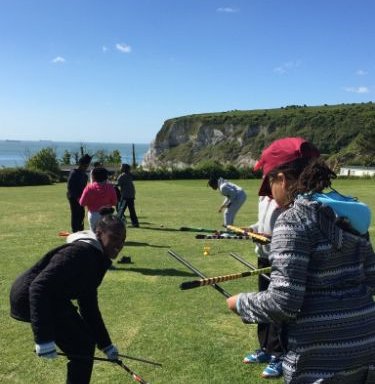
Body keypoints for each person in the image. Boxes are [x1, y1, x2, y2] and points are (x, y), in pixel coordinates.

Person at [227, 137, 375, 383]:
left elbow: (284, 302)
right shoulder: (350, 213)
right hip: (365, 346)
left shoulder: (292, 219)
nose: (271, 195)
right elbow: (371, 279)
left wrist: (239, 303)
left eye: (269, 183)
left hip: (318, 360)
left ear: (282, 179)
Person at [9, 214, 126, 384]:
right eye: (115, 238)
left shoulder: (97, 258)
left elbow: (88, 307)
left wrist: (106, 344)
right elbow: (38, 286)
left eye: (123, 240)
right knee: (82, 346)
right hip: (28, 296)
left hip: (53, 297)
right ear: (99, 233)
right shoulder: (80, 253)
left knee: (84, 343)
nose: (119, 245)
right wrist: (43, 338)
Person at [243, 196, 285, 378]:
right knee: (263, 302)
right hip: (263, 257)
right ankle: (265, 348)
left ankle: (280, 354)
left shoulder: (287, 196)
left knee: (277, 305)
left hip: (281, 258)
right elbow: (263, 223)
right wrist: (253, 229)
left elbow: (292, 228)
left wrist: (270, 238)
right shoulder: (262, 197)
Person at [79, 167, 118, 231]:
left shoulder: (89, 187)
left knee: (94, 235)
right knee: (107, 235)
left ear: (93, 177)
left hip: (93, 214)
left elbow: (82, 203)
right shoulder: (110, 187)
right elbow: (114, 202)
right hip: (107, 214)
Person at [67, 154, 92, 232]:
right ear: (81, 164)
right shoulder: (74, 173)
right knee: (75, 214)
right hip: (74, 198)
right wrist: (77, 197)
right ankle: (75, 231)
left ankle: (80, 230)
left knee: (81, 214)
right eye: (86, 165)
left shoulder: (84, 175)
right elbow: (70, 187)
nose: (86, 167)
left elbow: (85, 188)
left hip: (81, 197)